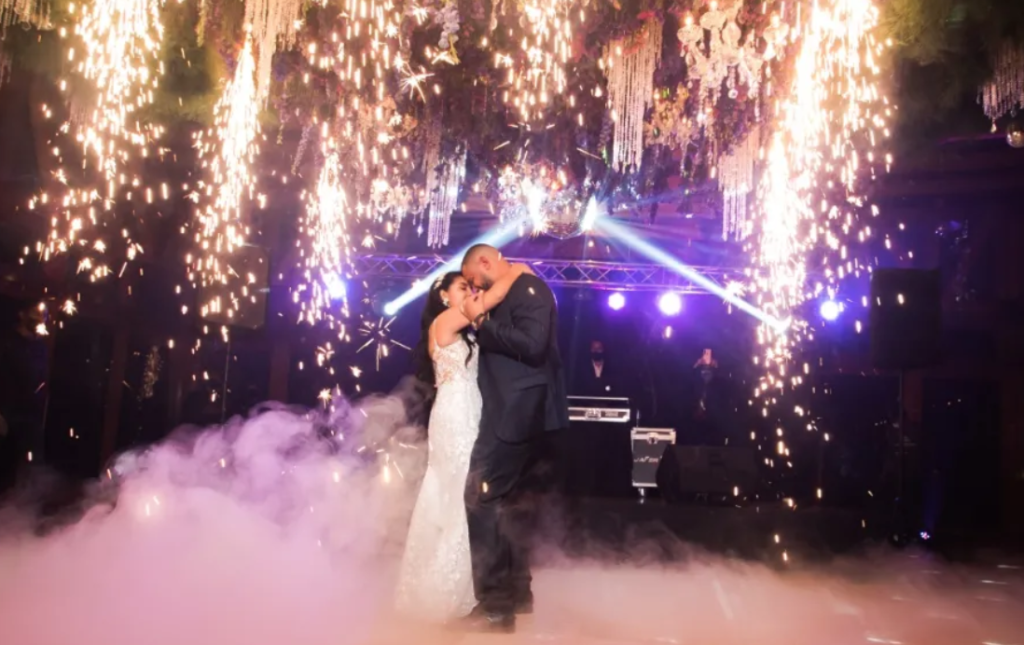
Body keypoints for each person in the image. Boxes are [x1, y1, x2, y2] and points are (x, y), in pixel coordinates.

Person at [395, 264, 531, 623]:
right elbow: (494, 297)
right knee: (458, 492)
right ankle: (456, 592)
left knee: (465, 495)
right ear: (443, 295)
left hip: (472, 410)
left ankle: (475, 586)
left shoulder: (464, 326)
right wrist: (517, 272)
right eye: (461, 288)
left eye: (469, 288)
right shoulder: (445, 322)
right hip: (456, 416)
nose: (469, 293)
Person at [458, 244, 569, 633]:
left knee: (480, 499)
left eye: (474, 280)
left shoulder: (529, 289)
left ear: (485, 263)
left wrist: (481, 323)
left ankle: (494, 607)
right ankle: (516, 597)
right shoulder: (515, 286)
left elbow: (533, 344)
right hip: (512, 411)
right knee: (507, 506)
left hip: (515, 413)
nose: (474, 290)